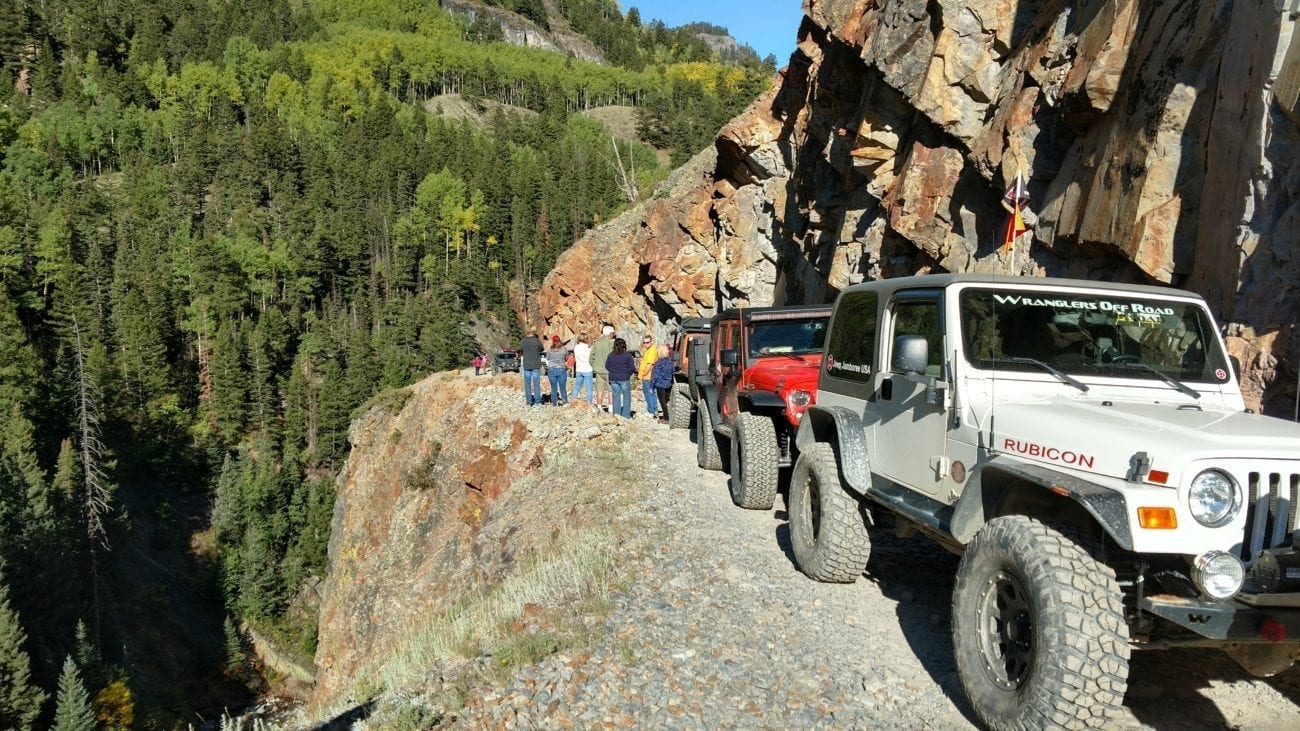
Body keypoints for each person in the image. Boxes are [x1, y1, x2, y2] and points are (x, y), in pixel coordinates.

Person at [606, 337, 636, 419]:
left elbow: (607, 366)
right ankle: (626, 415)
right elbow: (632, 368)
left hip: (613, 378)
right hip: (624, 378)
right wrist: (627, 374)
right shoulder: (627, 355)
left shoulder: (611, 355)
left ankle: (617, 415)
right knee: (626, 397)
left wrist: (613, 371)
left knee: (616, 397)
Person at [591, 325, 615, 411]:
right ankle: (611, 409)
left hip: (599, 371)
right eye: (613, 333)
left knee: (599, 390)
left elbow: (591, 357)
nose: (613, 335)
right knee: (611, 391)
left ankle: (599, 408)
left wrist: (595, 366)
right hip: (610, 371)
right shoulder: (612, 343)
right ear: (609, 334)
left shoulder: (596, 343)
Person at [650, 343, 675, 423]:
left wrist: (651, 386)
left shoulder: (658, 363)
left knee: (663, 402)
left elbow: (655, 376)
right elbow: (673, 370)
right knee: (667, 402)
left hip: (660, 385)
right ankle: (668, 416)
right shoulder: (670, 362)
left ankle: (666, 418)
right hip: (669, 384)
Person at [545, 335, 569, 406]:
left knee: (553, 388)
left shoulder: (549, 349)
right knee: (563, 387)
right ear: (560, 340)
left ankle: (554, 403)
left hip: (552, 369)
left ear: (553, 341)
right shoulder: (564, 349)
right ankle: (564, 402)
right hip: (561, 369)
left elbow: (548, 358)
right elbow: (566, 358)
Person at [520, 332, 544, 406]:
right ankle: (537, 402)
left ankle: (529, 401)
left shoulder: (523, 341)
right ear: (533, 335)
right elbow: (542, 349)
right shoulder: (537, 341)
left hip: (527, 365)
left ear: (527, 334)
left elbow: (520, 349)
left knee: (527, 384)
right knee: (536, 384)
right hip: (536, 365)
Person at [570, 333, 594, 404]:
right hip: (588, 369)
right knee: (589, 388)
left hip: (579, 369)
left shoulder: (576, 347)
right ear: (585, 339)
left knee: (577, 387)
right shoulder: (588, 348)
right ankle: (589, 403)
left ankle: (572, 401)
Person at [638, 335, 659, 417]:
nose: (645, 344)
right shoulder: (649, 350)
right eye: (644, 342)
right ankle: (654, 410)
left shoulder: (652, 351)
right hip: (650, 376)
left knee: (648, 393)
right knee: (652, 393)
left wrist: (644, 374)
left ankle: (651, 411)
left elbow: (650, 364)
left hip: (648, 376)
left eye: (647, 342)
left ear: (651, 342)